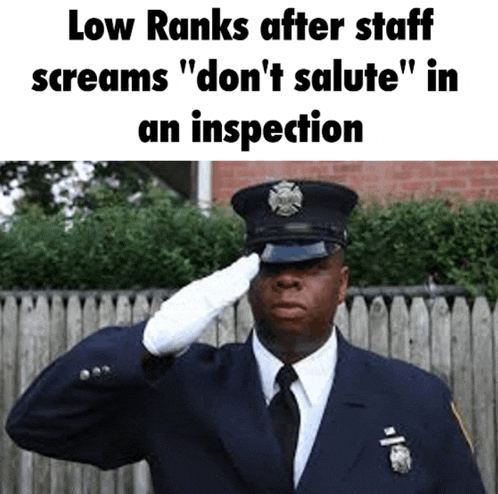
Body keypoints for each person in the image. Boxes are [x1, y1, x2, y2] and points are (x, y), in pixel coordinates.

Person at [6, 180, 485, 493]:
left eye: (312, 267)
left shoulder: (414, 399)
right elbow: (37, 425)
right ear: (246, 280)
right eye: (271, 265)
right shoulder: (181, 386)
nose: (288, 279)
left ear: (342, 286)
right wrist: (147, 342)